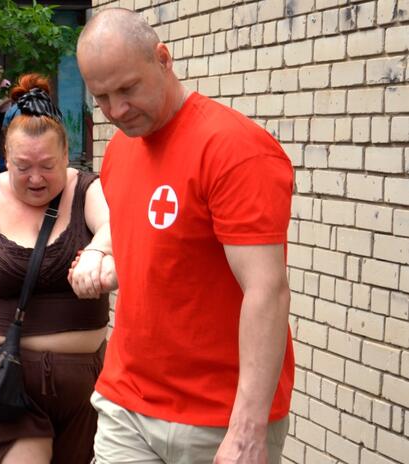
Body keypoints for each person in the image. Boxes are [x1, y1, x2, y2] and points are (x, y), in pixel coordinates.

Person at [73, 9, 294, 463]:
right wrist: (104, 258)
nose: (116, 111)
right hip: (127, 401)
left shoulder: (234, 149)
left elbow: (266, 289)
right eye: (102, 98)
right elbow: (153, 245)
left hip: (218, 415)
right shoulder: (119, 149)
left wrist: (248, 429)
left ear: (163, 59)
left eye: (128, 89)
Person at [0, 75, 115, 464]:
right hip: (7, 385)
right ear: (4, 158)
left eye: (48, 166)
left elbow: (114, 227)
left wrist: (98, 251)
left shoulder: (88, 190)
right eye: (23, 166)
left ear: (67, 156)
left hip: (86, 387)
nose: (36, 178)